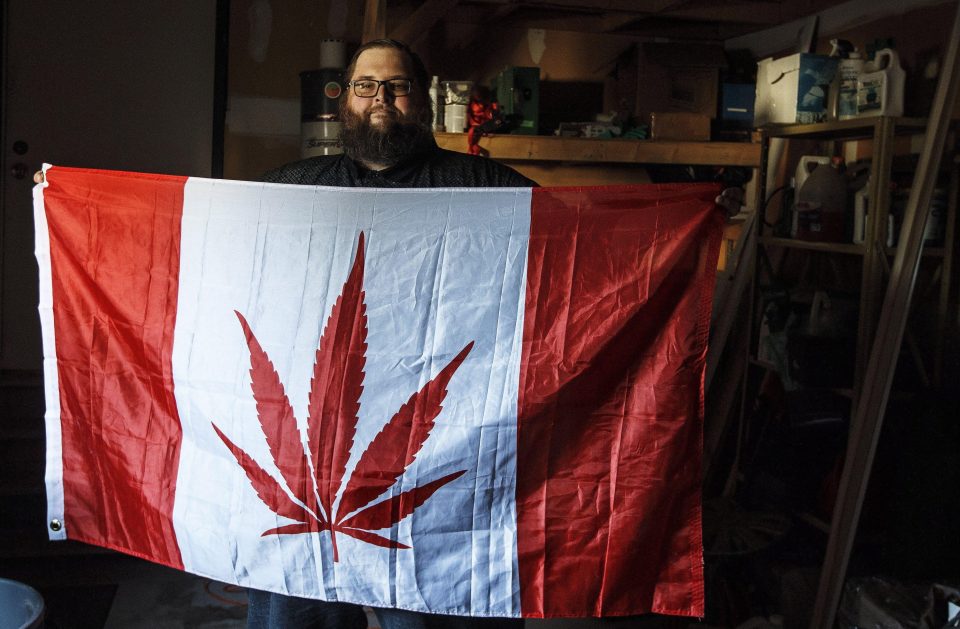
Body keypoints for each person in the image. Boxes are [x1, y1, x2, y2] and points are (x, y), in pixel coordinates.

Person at [248, 38, 531, 629]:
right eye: (366, 85)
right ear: (345, 101)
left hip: (439, 437)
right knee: (300, 599)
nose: (381, 97)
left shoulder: (488, 188)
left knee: (433, 599)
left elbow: (582, 244)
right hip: (317, 440)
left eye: (397, 85)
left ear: (423, 101)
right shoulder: (291, 190)